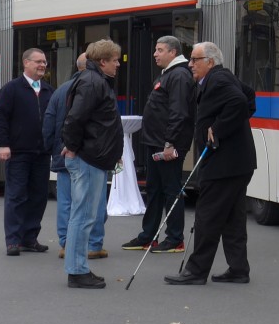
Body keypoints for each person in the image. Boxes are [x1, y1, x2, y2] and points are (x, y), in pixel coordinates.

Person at [165, 41, 256, 286]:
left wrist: (219, 128)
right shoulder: (220, 77)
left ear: (210, 62)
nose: (190, 64)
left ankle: (196, 271)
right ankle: (238, 269)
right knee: (232, 218)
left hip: (225, 165)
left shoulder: (218, 80)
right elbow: (249, 96)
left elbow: (239, 101)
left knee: (207, 216)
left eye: (195, 60)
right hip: (238, 163)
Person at [121, 36, 195, 254]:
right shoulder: (170, 74)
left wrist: (170, 142)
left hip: (167, 146)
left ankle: (175, 239)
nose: (155, 54)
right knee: (154, 190)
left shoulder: (179, 75)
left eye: (160, 50)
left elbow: (179, 112)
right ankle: (148, 236)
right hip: (156, 143)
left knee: (171, 190)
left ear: (173, 52)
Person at [60, 39, 124, 289]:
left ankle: (78, 268)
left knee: (83, 214)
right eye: (115, 60)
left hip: (91, 156)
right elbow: (75, 119)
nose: (118, 64)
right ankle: (77, 270)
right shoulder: (93, 82)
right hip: (89, 158)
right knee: (84, 215)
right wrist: (74, 146)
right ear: (103, 61)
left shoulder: (90, 80)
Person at [43, 54, 107, 260]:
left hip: (63, 154)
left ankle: (66, 243)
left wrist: (50, 150)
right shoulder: (97, 86)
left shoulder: (60, 90)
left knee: (66, 202)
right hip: (89, 155)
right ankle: (94, 244)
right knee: (94, 201)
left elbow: (49, 123)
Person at [0, 48, 52, 257]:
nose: (42, 65)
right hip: (18, 152)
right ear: (26, 63)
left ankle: (30, 238)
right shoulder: (11, 89)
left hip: (42, 153)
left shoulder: (47, 90)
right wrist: (3, 144)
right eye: (38, 61)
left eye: (44, 62)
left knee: (38, 196)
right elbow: (1, 118)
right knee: (16, 196)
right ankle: (13, 241)